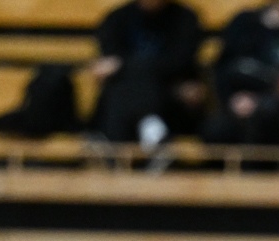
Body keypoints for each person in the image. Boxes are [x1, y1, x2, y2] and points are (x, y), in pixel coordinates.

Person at [86, 0, 204, 146]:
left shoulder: (185, 19)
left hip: (169, 94)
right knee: (122, 91)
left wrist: (123, 65)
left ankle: (115, 146)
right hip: (125, 94)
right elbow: (107, 63)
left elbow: (179, 62)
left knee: (133, 80)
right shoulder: (118, 18)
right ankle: (150, 124)